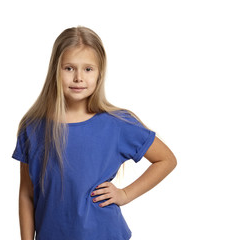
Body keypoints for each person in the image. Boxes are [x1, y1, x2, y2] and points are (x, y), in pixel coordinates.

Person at [11, 26, 177, 240]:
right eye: (69, 68)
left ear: (99, 74)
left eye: (88, 69)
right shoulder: (32, 127)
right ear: (55, 70)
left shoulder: (117, 124)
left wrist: (125, 194)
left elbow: (166, 159)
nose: (79, 77)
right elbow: (27, 192)